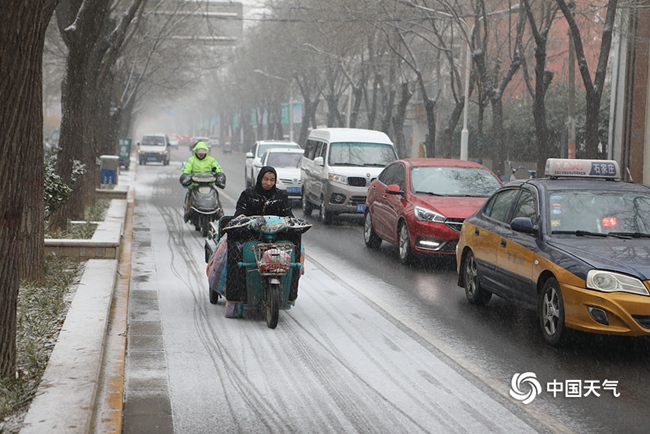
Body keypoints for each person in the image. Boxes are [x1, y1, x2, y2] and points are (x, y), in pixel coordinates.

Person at [180, 141, 224, 221]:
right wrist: (186, 175)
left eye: (203, 152)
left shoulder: (211, 160)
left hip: (209, 185)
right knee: (191, 195)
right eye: (199, 152)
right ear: (195, 152)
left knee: (215, 194)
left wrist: (219, 175)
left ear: (206, 152)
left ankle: (219, 211)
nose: (201, 154)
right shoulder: (191, 160)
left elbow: (217, 168)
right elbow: (186, 169)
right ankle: (188, 211)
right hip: (195, 185)